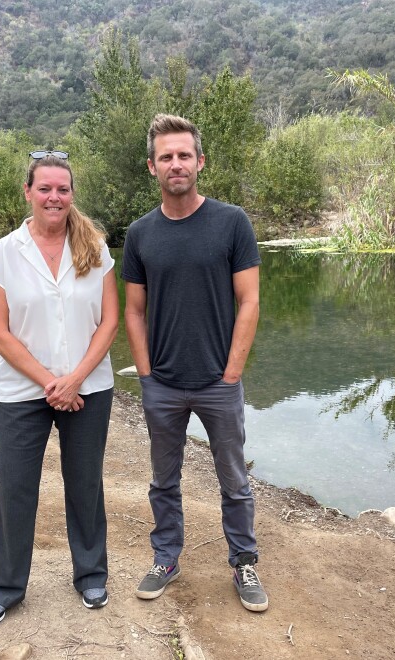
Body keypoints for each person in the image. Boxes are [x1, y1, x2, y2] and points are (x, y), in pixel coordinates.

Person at [121, 115, 267, 612]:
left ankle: (244, 561)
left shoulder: (232, 223)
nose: (176, 164)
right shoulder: (140, 235)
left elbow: (249, 302)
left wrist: (232, 373)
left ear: (200, 162)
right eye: (166, 157)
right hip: (162, 383)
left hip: (217, 383)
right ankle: (166, 558)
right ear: (152, 167)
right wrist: (144, 373)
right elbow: (134, 310)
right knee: (164, 479)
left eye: (184, 155)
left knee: (234, 479)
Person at [0, 151, 118, 625]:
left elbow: (111, 320)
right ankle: (7, 587)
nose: (54, 197)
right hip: (20, 393)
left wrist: (75, 379)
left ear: (71, 193)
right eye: (45, 188)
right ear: (28, 192)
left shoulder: (94, 247)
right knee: (15, 488)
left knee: (85, 484)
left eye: (62, 188)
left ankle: (91, 575)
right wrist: (50, 382)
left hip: (89, 388)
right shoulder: (6, 251)